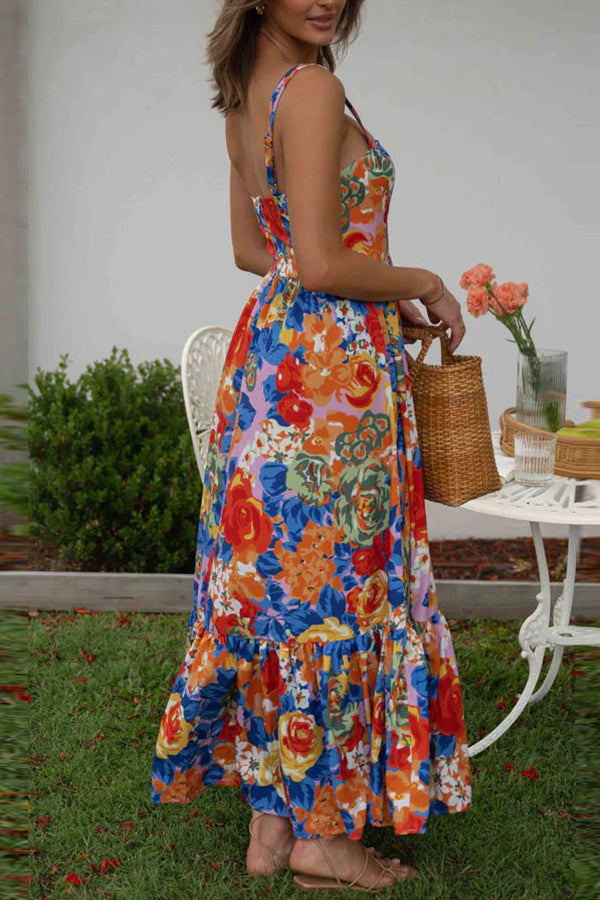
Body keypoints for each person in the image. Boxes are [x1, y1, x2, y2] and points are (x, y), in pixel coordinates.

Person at [151, 0, 472, 892]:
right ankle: (323, 840)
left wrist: (370, 291)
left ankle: (271, 826)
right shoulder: (315, 90)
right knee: (337, 593)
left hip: (272, 366)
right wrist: (421, 281)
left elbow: (258, 251)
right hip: (333, 387)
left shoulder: (243, 94)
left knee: (287, 598)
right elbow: (326, 264)